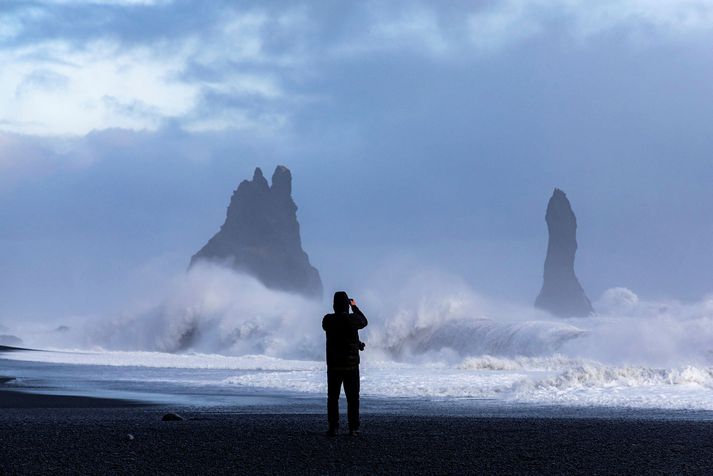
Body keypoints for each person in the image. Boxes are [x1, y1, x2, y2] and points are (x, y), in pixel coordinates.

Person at [322, 291, 368, 436]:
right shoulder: (352, 319)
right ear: (346, 305)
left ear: (334, 305)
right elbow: (364, 321)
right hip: (351, 366)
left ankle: (333, 427)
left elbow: (340, 334)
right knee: (353, 398)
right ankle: (353, 428)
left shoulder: (328, 320)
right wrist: (354, 306)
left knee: (333, 398)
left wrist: (357, 343)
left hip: (334, 366)